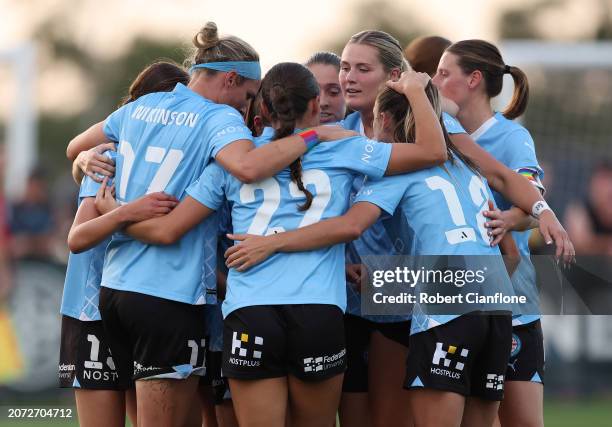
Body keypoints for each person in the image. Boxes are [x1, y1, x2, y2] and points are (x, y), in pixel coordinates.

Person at [85, 64, 447, 427]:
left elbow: (165, 232)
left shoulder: (233, 161)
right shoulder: (346, 148)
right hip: (317, 311)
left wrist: (115, 214)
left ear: (261, 110)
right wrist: (416, 89)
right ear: (314, 104)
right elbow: (434, 151)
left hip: (250, 313)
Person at [64, 22, 357, 427]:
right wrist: (313, 136)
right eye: (248, 96)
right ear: (232, 79)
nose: (247, 108)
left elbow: (76, 147)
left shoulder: (137, 108)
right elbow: (249, 166)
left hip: (115, 290)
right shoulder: (219, 118)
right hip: (168, 292)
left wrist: (84, 164)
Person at [223, 80, 520, 427]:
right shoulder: (467, 168)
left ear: (385, 119)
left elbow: (350, 226)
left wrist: (271, 242)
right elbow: (509, 254)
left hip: (445, 315)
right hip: (497, 309)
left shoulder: (396, 173)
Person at [59, 60, 190, 427]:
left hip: (144, 303)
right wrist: (124, 211)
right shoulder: (112, 155)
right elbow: (78, 237)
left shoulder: (185, 159)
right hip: (92, 310)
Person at [433, 39, 549, 427]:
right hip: (455, 303)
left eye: (444, 73)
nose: (435, 80)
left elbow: (534, 206)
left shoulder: (512, 138)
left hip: (512, 302)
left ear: (474, 80)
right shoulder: (436, 137)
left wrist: (510, 219)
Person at [305, 52, 347, 123]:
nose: (322, 103)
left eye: (333, 92)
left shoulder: (362, 131)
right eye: (313, 92)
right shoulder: (283, 132)